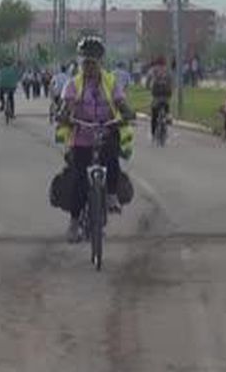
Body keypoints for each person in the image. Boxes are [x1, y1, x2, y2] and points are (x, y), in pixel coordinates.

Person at [57, 36, 131, 242]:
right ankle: (74, 223)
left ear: (101, 62)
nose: (89, 66)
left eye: (93, 62)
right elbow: (67, 107)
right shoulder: (74, 84)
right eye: (85, 62)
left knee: (112, 161)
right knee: (80, 180)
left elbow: (121, 103)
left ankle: (111, 196)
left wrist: (126, 114)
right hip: (82, 135)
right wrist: (65, 116)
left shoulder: (110, 82)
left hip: (106, 132)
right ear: (80, 63)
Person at [146, 56, 174, 140]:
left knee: (154, 114)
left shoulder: (153, 70)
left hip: (156, 92)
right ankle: (168, 117)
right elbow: (172, 81)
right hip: (166, 92)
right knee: (166, 105)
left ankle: (153, 133)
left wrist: (147, 87)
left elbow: (148, 80)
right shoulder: (168, 70)